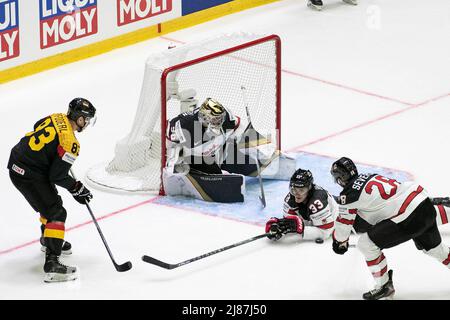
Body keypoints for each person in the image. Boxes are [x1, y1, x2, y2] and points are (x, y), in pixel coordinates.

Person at [330, 157, 450, 300]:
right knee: (436, 250)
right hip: (423, 203)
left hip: (409, 216)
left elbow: (343, 227)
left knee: (366, 244)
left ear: (339, 178)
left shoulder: (347, 196)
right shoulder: (371, 176)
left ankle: (383, 285)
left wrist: (339, 243)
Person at [7, 98, 96, 283]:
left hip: (17, 161)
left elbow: (38, 125)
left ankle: (49, 240)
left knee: (49, 203)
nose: (86, 123)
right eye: (85, 119)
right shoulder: (70, 143)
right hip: (29, 173)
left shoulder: (57, 117)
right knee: (56, 212)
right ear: (79, 119)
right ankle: (52, 264)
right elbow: (57, 176)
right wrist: (77, 188)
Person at [163, 97, 295, 203]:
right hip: (195, 157)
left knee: (234, 149)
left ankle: (226, 163)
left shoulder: (225, 115)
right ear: (203, 117)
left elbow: (240, 128)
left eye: (219, 118)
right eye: (214, 120)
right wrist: (174, 162)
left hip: (217, 150)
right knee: (204, 168)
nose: (219, 122)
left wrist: (255, 146)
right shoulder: (183, 126)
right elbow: (172, 145)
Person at [265, 168, 338, 242]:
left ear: (309, 188)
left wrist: (302, 228)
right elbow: (289, 223)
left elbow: (325, 232)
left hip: (339, 215)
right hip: (317, 217)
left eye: (301, 190)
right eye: (294, 189)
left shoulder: (317, 201)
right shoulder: (290, 199)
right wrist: (278, 227)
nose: (297, 194)